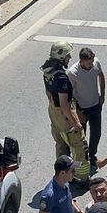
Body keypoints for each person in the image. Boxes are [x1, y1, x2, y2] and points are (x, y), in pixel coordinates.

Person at [41, 42, 90, 184]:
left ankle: (63, 175)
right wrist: (76, 123)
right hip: (64, 115)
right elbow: (64, 104)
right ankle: (82, 178)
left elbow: (48, 93)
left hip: (53, 112)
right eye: (68, 55)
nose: (69, 58)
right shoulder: (61, 78)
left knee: (61, 144)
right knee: (79, 146)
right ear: (61, 56)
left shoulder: (47, 71)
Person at [67, 47, 105, 170]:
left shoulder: (96, 63)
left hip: (95, 105)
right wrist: (77, 112)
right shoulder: (72, 73)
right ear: (81, 61)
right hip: (81, 109)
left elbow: (101, 76)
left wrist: (102, 95)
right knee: (81, 138)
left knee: (96, 133)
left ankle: (92, 156)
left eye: (92, 61)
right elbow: (69, 95)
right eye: (89, 63)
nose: (91, 65)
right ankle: (83, 158)